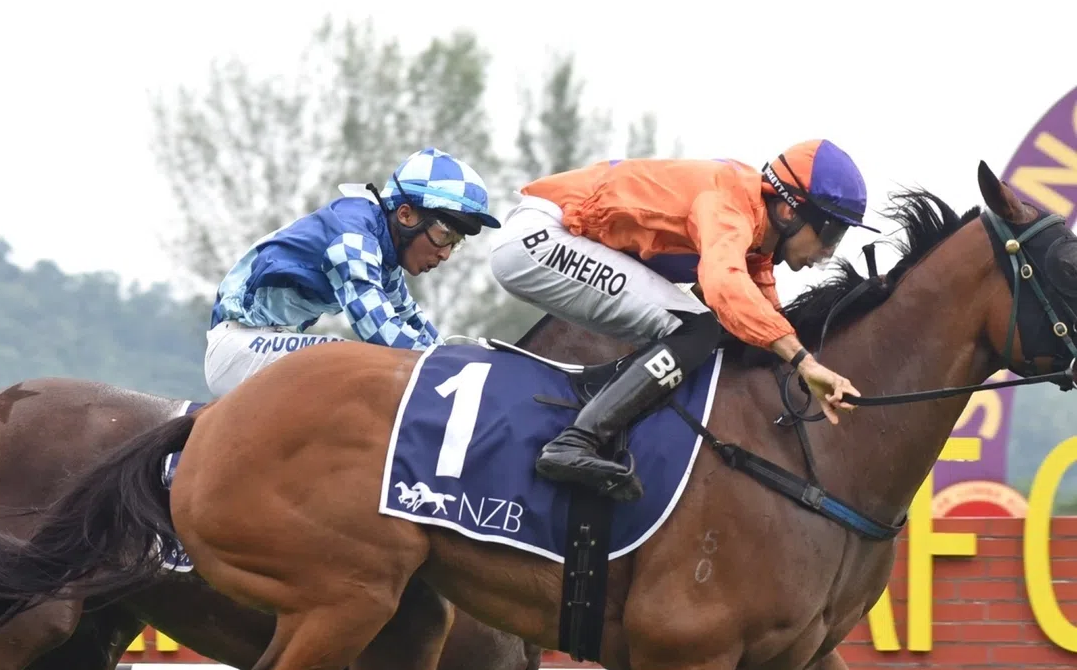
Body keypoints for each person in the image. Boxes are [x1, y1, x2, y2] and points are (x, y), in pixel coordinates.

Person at [489, 140, 879, 501]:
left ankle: (600, 410)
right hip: (541, 237)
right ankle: (575, 442)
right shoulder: (728, 203)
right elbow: (724, 286)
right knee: (696, 327)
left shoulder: (757, 235)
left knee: (708, 327)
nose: (828, 250)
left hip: (555, 237)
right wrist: (803, 361)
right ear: (788, 209)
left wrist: (807, 364)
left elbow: (762, 313)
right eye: (830, 231)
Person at [204, 147, 500, 397]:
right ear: (406, 214)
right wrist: (450, 374)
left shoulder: (383, 252)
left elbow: (413, 323)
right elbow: (380, 331)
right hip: (238, 347)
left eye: (456, 244)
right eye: (444, 235)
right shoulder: (352, 236)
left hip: (269, 341)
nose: (445, 254)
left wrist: (460, 366)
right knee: (354, 360)